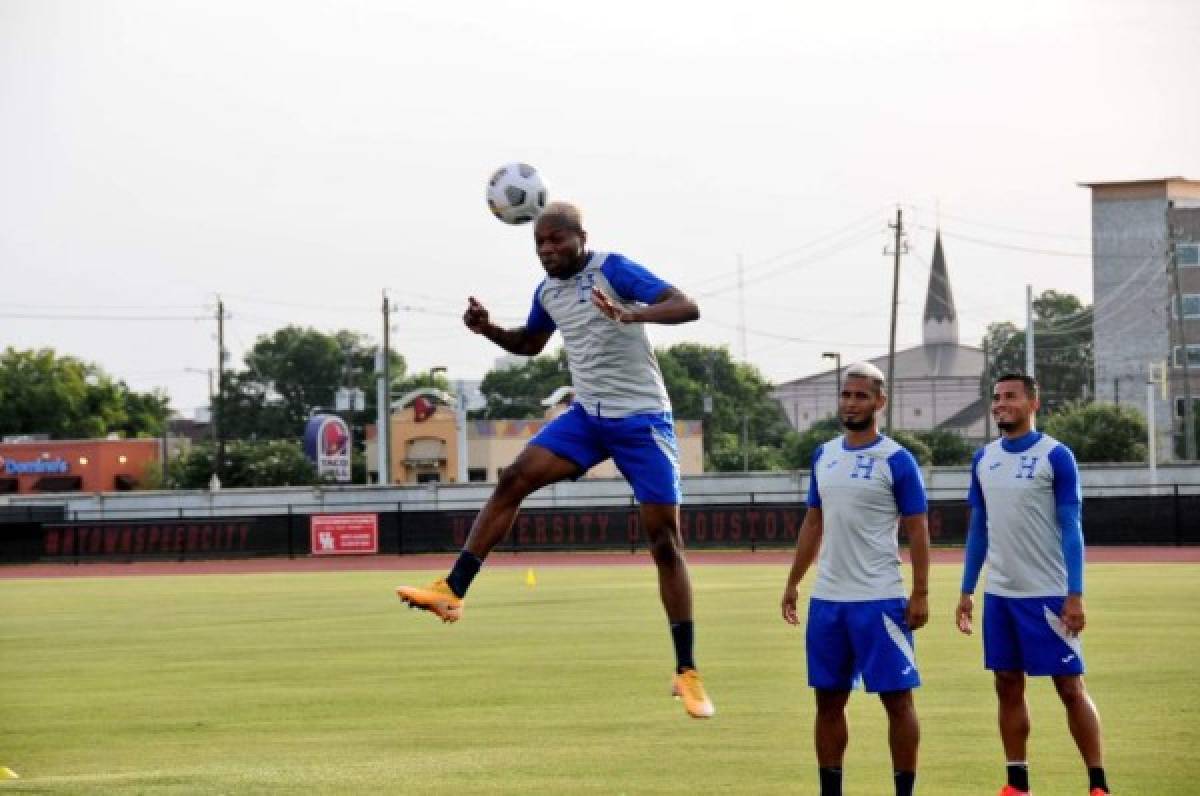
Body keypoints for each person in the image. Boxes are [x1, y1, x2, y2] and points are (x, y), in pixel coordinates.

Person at [396, 201, 714, 719]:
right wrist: (488, 330)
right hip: (587, 417)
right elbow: (531, 342)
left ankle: (687, 672)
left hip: (642, 420)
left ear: (580, 237)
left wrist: (631, 312)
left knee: (664, 542)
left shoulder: (613, 268)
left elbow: (686, 305)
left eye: (556, 241)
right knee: (513, 481)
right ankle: (452, 591)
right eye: (539, 244)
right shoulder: (547, 291)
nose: (547, 251)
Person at [956, 373, 1110, 796]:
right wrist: (968, 589)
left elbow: (1071, 528)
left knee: (1070, 687)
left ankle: (1098, 783)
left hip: (1048, 594)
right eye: (996, 397)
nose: (1001, 404)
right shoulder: (983, 458)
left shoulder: (1056, 456)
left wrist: (1075, 594)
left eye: (1010, 397)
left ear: (1033, 403)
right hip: (1000, 596)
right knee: (1006, 683)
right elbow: (978, 530)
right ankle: (1017, 783)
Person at [780, 362, 930, 796]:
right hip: (828, 600)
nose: (851, 403)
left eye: (861, 396)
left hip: (880, 599)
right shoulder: (824, 454)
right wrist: (793, 581)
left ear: (880, 402)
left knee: (897, 700)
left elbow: (918, 528)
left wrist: (920, 592)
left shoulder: (897, 460)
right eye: (846, 395)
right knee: (827, 701)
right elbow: (813, 523)